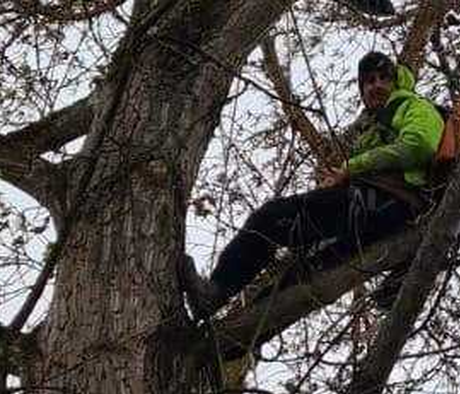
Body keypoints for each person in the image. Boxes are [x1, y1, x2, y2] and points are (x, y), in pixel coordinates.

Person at [180, 51, 441, 318]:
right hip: (371, 213)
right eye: (369, 81)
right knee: (290, 286)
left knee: (271, 218)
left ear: (396, 82)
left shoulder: (414, 106)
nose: (376, 85)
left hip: (384, 206)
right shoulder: (371, 128)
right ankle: (226, 344)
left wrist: (351, 168)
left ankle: (216, 292)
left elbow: (419, 146)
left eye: (384, 78)